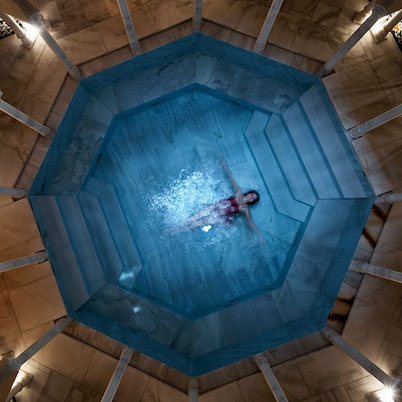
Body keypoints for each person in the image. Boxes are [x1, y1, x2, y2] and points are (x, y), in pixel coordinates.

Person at [166, 159, 262, 238]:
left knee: (195, 224)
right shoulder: (239, 193)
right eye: (252, 195)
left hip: (219, 218)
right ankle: (173, 227)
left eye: (253, 198)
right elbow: (231, 179)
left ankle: (172, 232)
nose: (250, 197)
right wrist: (225, 165)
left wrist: (258, 235)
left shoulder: (245, 209)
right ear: (249, 193)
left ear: (252, 201)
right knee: (192, 218)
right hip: (214, 207)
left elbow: (250, 222)